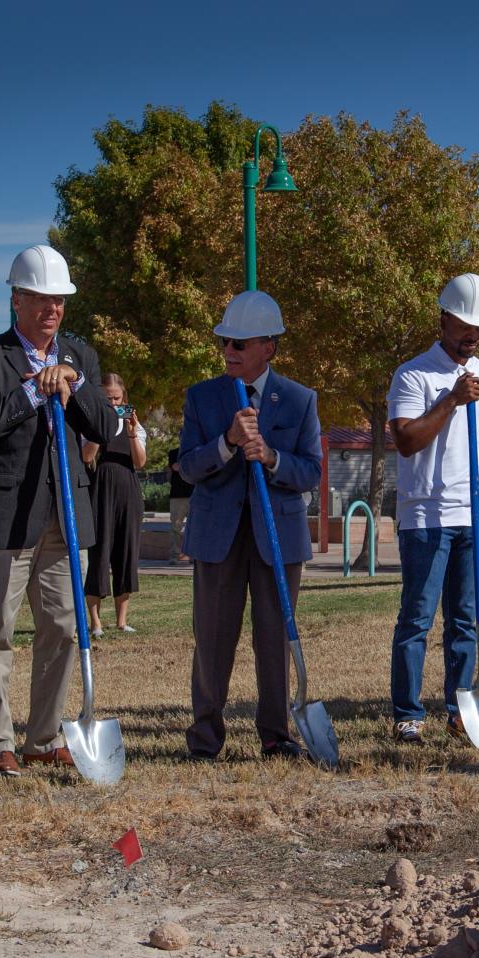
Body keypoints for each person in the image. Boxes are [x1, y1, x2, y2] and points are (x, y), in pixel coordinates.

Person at [0, 244, 118, 777]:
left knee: (64, 628)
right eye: (42, 299)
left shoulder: (79, 357)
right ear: (18, 300)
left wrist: (71, 388)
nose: (52, 309)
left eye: (60, 301)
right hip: (7, 519)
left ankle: (44, 737)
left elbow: (107, 428)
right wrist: (33, 392)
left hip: (66, 517)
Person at [177, 291, 324, 761]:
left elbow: (311, 471)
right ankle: (205, 737)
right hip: (216, 538)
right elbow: (186, 466)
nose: (229, 353)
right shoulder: (202, 397)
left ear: (268, 348)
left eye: (240, 345)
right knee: (212, 638)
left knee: (274, 637)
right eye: (225, 343)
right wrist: (227, 442)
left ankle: (276, 735)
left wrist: (272, 457)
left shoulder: (300, 400)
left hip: (277, 538)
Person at [387, 273, 479, 744]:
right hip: (426, 517)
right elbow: (405, 440)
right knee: (417, 618)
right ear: (443, 318)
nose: (473, 336)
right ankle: (407, 714)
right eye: (465, 325)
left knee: (466, 618)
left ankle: (461, 707)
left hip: (475, 517)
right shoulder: (414, 374)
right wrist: (451, 400)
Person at [81, 373, 147, 634]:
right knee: (99, 552)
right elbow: (87, 457)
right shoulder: (90, 423)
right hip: (101, 491)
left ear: (124, 399)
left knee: (126, 552)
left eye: (116, 399)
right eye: (106, 399)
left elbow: (140, 463)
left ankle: (121, 620)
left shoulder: (134, 425)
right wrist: (99, 428)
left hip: (128, 491)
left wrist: (131, 432)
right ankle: (95, 622)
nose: (112, 403)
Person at [166, 447, 193, 563]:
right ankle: (174, 555)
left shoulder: (196, 450)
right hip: (178, 495)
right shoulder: (174, 453)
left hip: (194, 494)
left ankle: (194, 556)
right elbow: (175, 467)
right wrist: (191, 466)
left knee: (194, 528)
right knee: (175, 527)